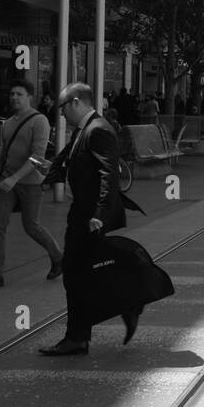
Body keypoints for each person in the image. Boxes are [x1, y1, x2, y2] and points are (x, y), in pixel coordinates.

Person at [37, 82, 145, 356]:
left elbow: (108, 175)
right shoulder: (85, 129)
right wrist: (51, 173)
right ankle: (115, 311)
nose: (60, 114)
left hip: (90, 216)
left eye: (62, 108)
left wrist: (98, 215)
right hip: (83, 212)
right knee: (85, 273)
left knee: (75, 273)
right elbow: (69, 159)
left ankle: (80, 335)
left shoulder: (98, 130)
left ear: (75, 102)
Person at [0, 81, 63, 289]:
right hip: (6, 182)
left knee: (31, 226)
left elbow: (37, 157)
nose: (14, 97)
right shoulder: (8, 123)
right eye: (12, 93)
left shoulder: (39, 120)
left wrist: (14, 178)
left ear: (30, 97)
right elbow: (4, 154)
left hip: (30, 183)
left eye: (19, 94)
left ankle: (58, 257)